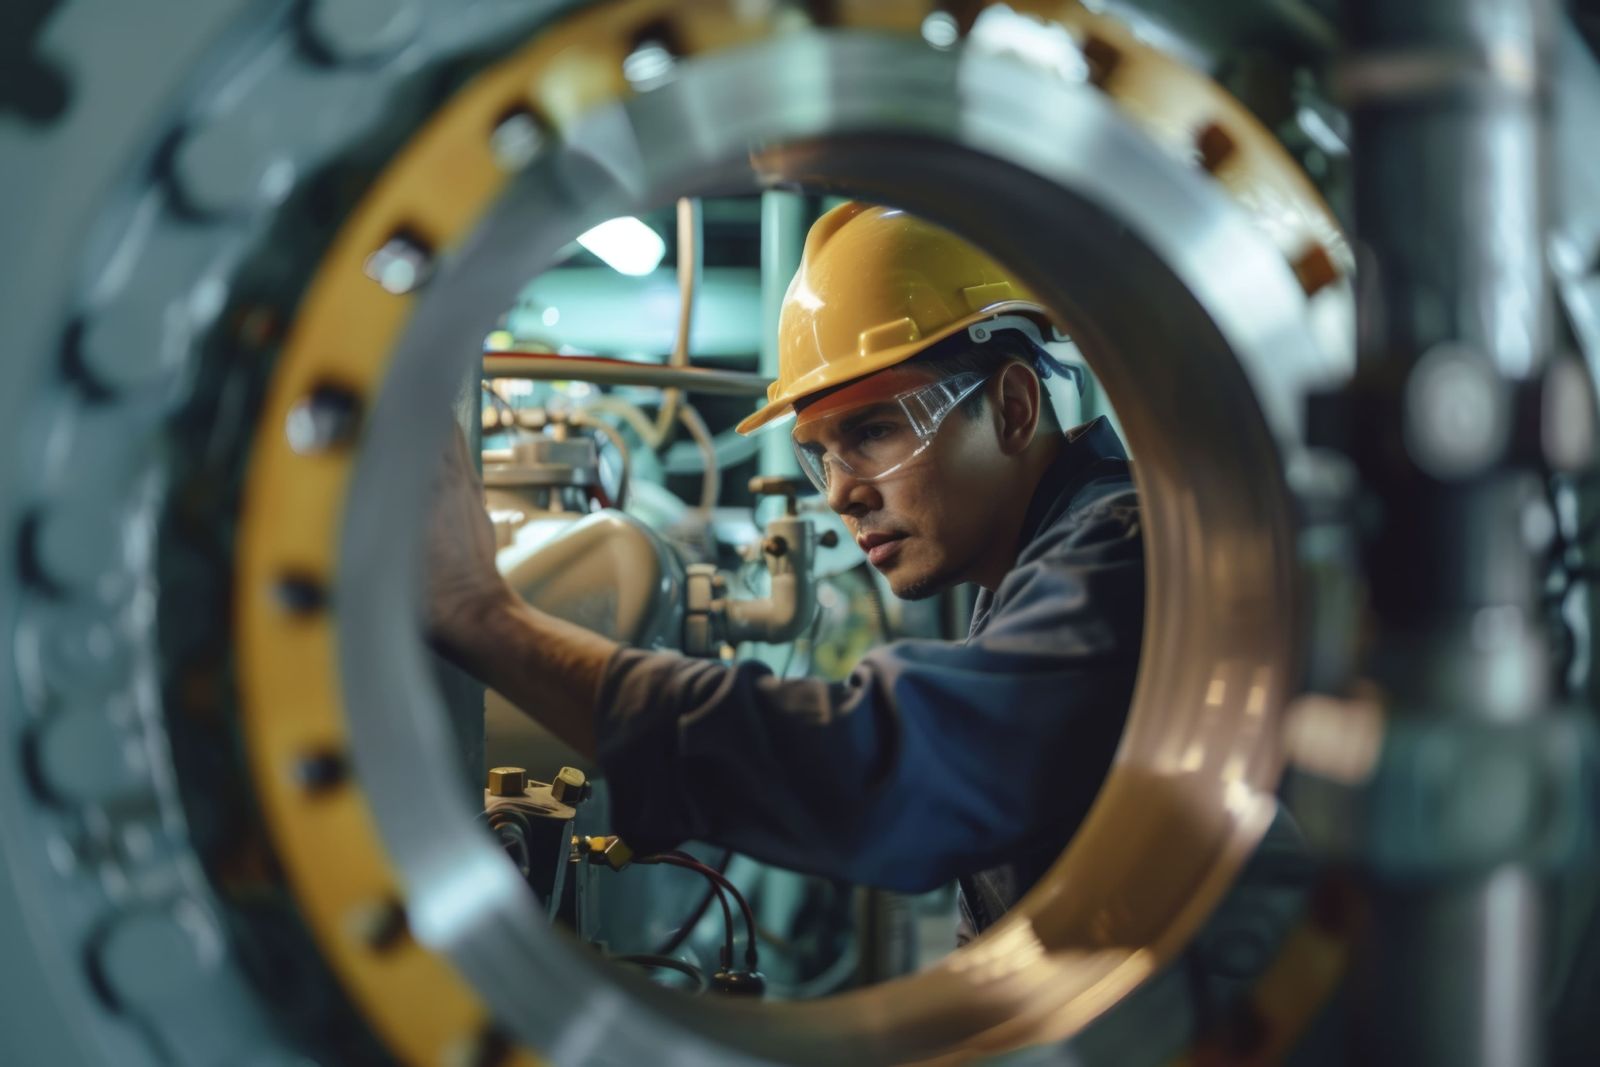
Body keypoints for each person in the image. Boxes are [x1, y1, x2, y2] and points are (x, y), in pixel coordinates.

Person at [429, 202, 1145, 941]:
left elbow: (891, 777)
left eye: (872, 431)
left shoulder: (1118, 553)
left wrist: (485, 616)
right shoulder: (1036, 564)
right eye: (820, 454)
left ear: (1015, 407)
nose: (840, 492)